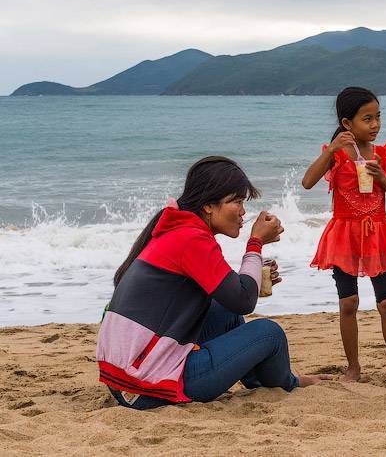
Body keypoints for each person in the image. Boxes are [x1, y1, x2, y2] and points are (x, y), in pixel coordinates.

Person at [96, 156, 332, 409]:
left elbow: (231, 294)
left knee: (225, 312)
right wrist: (255, 245)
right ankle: (287, 383)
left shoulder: (176, 229)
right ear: (209, 205)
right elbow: (243, 301)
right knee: (270, 333)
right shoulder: (192, 239)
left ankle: (261, 382)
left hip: (127, 377)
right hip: (146, 386)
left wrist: (252, 277)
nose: (243, 211)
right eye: (237, 201)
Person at [302, 86, 386, 381]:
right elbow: (307, 182)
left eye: (377, 117)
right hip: (344, 235)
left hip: (377, 233)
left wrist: (382, 178)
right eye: (367, 119)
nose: (375, 125)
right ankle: (353, 367)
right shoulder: (335, 155)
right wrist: (334, 150)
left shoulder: (384, 154)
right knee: (348, 303)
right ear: (347, 124)